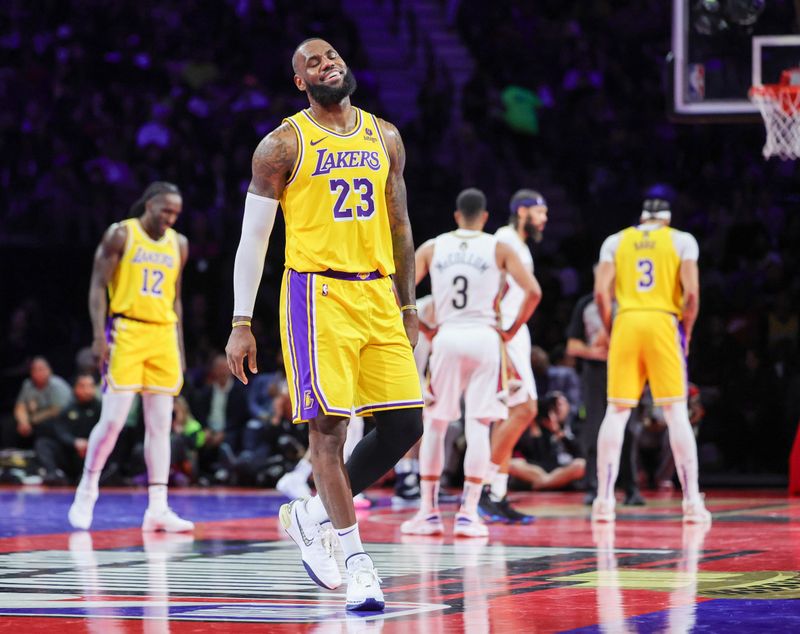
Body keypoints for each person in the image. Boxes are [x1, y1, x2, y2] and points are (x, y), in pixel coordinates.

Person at [225, 38, 424, 611]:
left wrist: (408, 306)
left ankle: (309, 513)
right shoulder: (282, 144)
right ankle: (357, 561)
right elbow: (253, 241)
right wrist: (242, 320)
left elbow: (401, 226)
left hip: (378, 293)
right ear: (300, 81)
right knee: (329, 433)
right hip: (316, 292)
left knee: (405, 424)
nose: (328, 64)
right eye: (313, 62)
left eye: (331, 56)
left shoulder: (385, 135)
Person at [402, 188, 541, 537]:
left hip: (447, 336)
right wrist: (511, 329)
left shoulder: (434, 247)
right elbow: (534, 291)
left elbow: (396, 289)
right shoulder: (498, 247)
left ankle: (428, 513)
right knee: (479, 425)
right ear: (484, 218)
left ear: (456, 216)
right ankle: (467, 514)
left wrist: (424, 325)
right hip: (485, 338)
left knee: (435, 423)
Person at [68, 181, 194, 533]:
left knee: (160, 426)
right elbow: (97, 286)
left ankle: (157, 507)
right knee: (112, 422)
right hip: (126, 330)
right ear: (149, 204)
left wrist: (180, 346)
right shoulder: (121, 235)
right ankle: (88, 487)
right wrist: (97, 335)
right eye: (165, 210)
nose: (170, 217)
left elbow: (176, 299)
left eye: (175, 213)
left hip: (163, 334)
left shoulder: (179, 244)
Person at [591, 198, 710, 523]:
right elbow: (693, 294)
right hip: (662, 322)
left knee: (616, 411)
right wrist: (685, 332)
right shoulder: (681, 240)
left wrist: (610, 327)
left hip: (627, 321)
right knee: (675, 412)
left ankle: (603, 502)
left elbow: (601, 293)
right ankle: (691, 504)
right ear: (666, 220)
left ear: (642, 218)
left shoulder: (615, 241)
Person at [479, 189, 548, 523]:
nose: (545, 219)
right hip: (506, 333)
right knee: (525, 410)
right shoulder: (505, 239)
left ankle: (497, 493)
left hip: (512, 333)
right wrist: (505, 329)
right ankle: (482, 485)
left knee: (505, 415)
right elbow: (492, 287)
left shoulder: (515, 244)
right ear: (522, 212)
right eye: (540, 212)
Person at [566, 288, 644, 506]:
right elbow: (572, 345)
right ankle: (593, 487)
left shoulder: (631, 299)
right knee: (594, 427)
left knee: (629, 429)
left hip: (626, 368)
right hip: (595, 372)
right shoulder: (586, 303)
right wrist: (594, 351)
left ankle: (631, 488)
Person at [509, 391, 586, 490]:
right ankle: (549, 482)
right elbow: (535, 456)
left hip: (562, 469)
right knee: (513, 464)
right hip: (538, 470)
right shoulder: (540, 424)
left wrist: (559, 433)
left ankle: (544, 483)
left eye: (560, 404)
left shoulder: (575, 424)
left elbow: (580, 454)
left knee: (581, 465)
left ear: (568, 405)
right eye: (554, 406)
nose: (557, 409)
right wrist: (535, 428)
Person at [35, 372, 101, 485]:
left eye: (90, 386)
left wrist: (90, 443)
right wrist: (74, 442)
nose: (87, 390)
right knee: (43, 443)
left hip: (93, 453)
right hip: (71, 453)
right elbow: (61, 431)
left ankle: (102, 475)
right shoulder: (68, 409)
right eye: (83, 386)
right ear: (75, 388)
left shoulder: (101, 409)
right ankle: (53, 473)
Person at [12, 356, 72, 448]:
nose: (38, 373)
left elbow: (56, 410)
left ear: (49, 370)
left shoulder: (57, 385)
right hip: (33, 420)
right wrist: (24, 422)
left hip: (56, 421)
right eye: (35, 370)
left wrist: (32, 420)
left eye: (41, 369)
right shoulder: (28, 384)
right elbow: (20, 407)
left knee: (44, 426)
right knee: (12, 424)